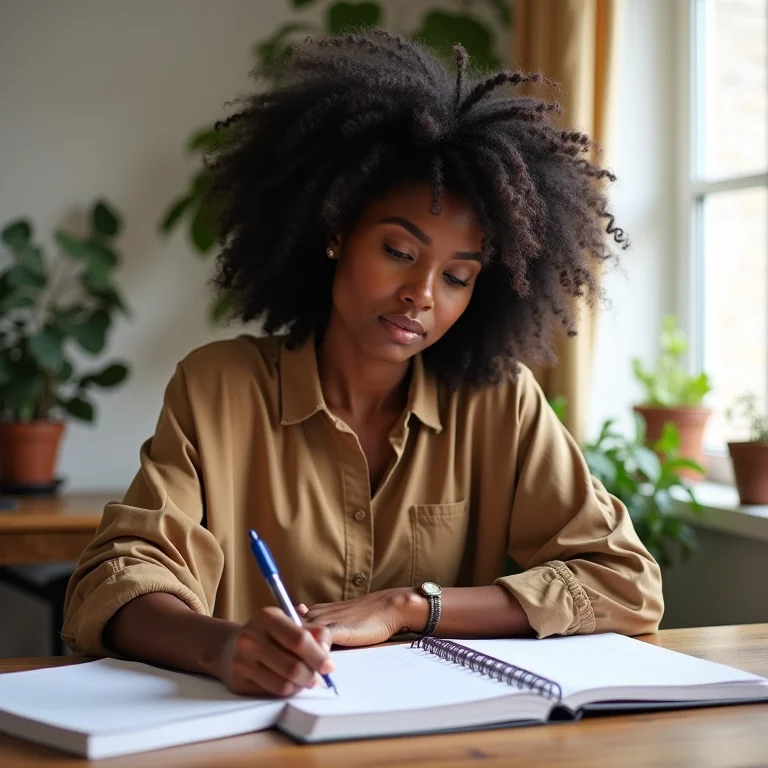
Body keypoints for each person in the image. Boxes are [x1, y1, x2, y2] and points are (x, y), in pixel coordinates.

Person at [62, 29, 662, 698]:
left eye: (458, 277)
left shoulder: (497, 402)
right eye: (400, 252)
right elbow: (116, 577)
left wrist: (412, 606)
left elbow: (624, 582)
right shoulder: (219, 387)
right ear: (336, 232)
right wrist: (225, 647)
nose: (422, 296)